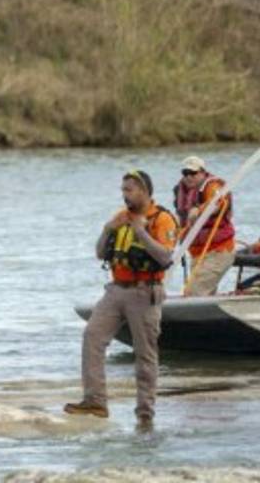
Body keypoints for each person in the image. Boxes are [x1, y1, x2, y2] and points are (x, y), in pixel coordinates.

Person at [65, 170, 178, 431]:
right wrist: (107, 229)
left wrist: (142, 233)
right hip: (116, 290)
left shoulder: (162, 219)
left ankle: (145, 413)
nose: (125, 194)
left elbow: (165, 257)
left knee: (145, 354)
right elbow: (99, 252)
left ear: (144, 191)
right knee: (92, 336)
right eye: (123, 190)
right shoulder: (120, 217)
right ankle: (95, 400)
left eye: (129, 189)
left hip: (145, 291)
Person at [173, 155, 235, 297]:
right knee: (205, 295)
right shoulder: (181, 191)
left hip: (218, 252)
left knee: (192, 293)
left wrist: (199, 210)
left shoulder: (213, 185)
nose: (189, 177)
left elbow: (218, 202)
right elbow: (181, 221)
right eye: (185, 173)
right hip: (197, 254)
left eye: (193, 173)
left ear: (202, 172)